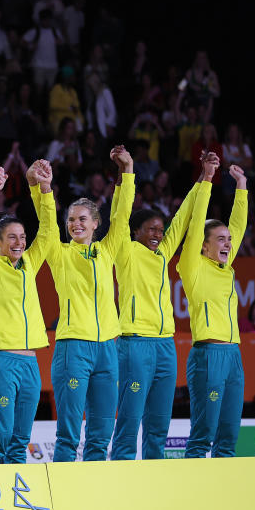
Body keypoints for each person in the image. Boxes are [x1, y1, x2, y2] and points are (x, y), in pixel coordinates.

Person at [109, 149, 203, 460]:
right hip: (135, 343)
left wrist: (205, 179)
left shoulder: (163, 253)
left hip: (165, 346)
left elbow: (185, 216)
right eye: (152, 229)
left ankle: (154, 476)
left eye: (160, 231)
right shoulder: (126, 251)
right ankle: (121, 470)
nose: (158, 235)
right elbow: (120, 215)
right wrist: (128, 172)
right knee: (130, 419)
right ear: (136, 232)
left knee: (159, 424)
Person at [43, 146, 135, 462]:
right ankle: (66, 503)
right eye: (70, 219)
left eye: (82, 219)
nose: (75, 224)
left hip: (108, 349)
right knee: (68, 436)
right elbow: (46, 227)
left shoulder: (106, 252)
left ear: (96, 223)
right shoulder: (59, 254)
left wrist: (127, 172)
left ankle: (94, 502)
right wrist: (44, 190)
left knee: (100, 436)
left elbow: (121, 217)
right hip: (73, 348)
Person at [0, 160, 55, 463]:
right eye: (12, 238)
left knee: (20, 440)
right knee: (0, 437)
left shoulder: (29, 265)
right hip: (1, 360)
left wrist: (45, 190)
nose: (19, 243)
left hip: (31, 363)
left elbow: (47, 232)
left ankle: (15, 503)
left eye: (21, 237)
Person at [178, 153, 247, 458]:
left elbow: (239, 226)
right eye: (220, 239)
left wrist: (242, 186)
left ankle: (223, 498)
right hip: (208, 355)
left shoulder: (226, 267)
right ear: (204, 245)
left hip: (233, 355)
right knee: (203, 434)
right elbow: (195, 226)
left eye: (228, 240)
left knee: (229, 435)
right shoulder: (192, 266)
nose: (228, 244)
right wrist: (206, 180)